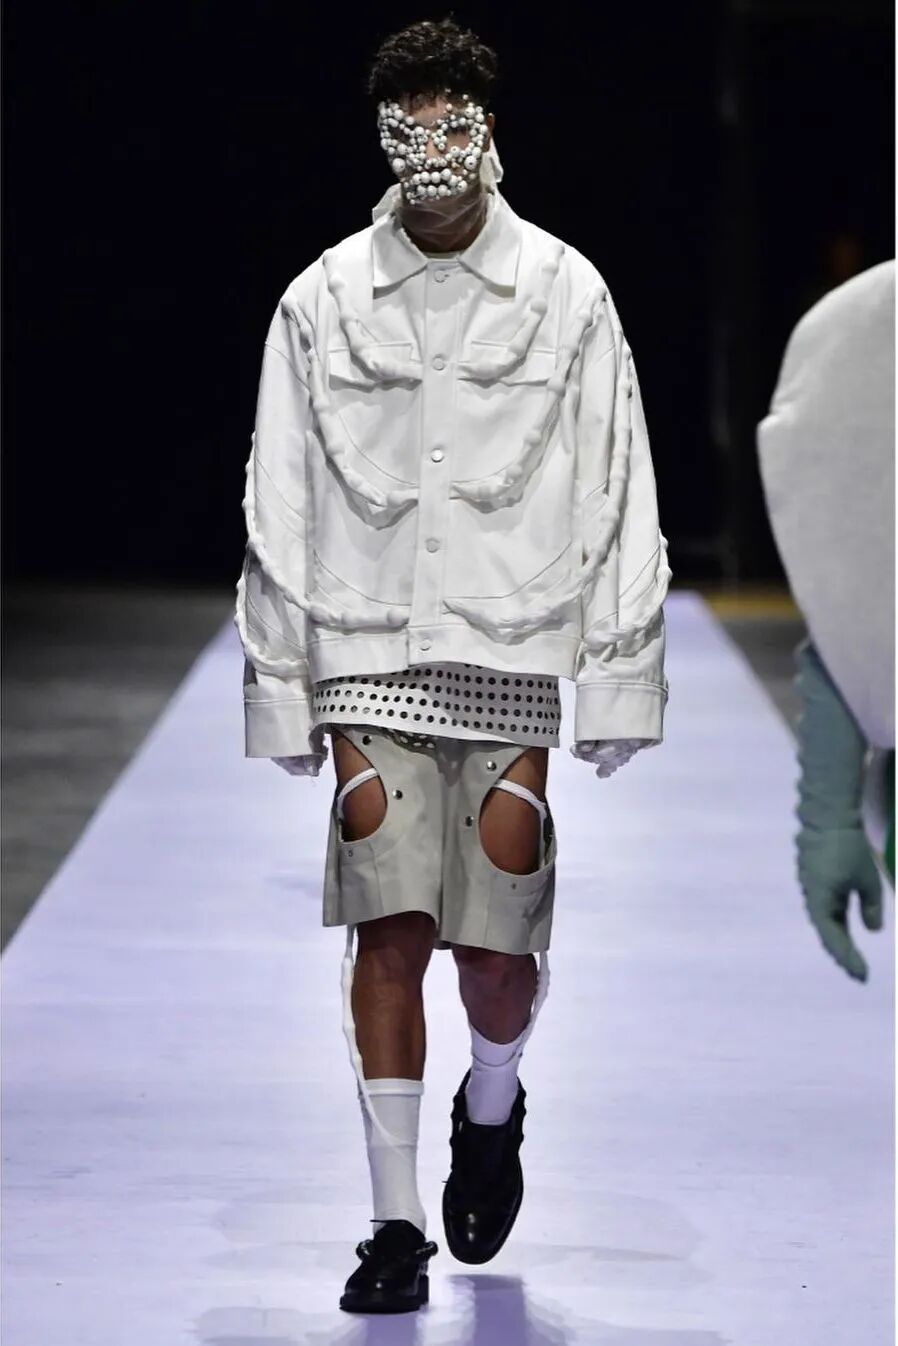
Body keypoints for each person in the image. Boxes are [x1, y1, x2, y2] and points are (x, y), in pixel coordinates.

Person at [234, 17, 671, 1314]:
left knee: (491, 945)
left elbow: (616, 477)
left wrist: (620, 667)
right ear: (383, 137)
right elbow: (278, 488)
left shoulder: (564, 292)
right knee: (391, 922)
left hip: (508, 649)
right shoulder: (321, 300)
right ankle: (392, 1223)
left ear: (488, 129)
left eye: (451, 124)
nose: (430, 151)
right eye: (408, 128)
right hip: (366, 646)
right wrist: (279, 678)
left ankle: (492, 1104)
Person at [757, 259, 895, 984]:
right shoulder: (862, 328)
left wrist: (830, 815)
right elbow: (859, 598)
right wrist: (828, 815)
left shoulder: (857, 326)